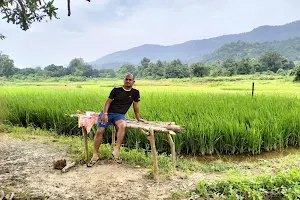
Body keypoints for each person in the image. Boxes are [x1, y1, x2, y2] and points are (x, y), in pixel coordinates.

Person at [87, 73, 146, 167]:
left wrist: (138, 118)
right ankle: (95, 155)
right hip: (108, 113)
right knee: (100, 130)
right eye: (126, 79)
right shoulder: (116, 90)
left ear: (133, 82)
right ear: (124, 80)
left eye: (130, 80)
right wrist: (105, 114)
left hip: (119, 115)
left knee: (123, 125)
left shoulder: (135, 92)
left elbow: (136, 106)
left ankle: (116, 151)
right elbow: (108, 102)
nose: (128, 81)